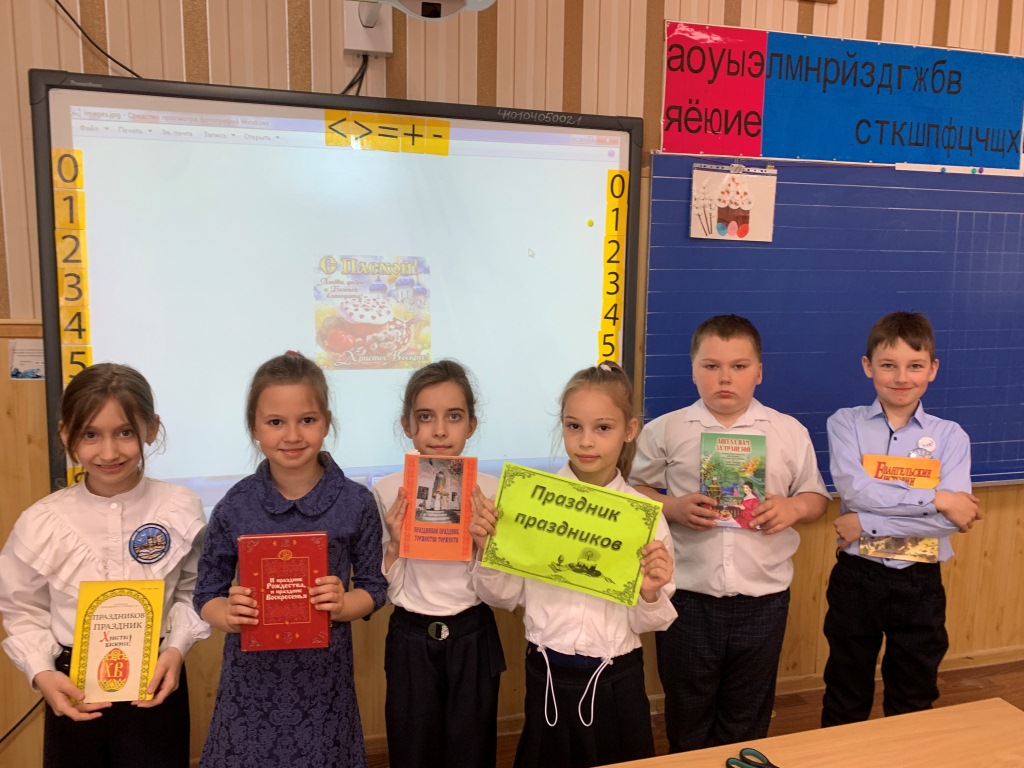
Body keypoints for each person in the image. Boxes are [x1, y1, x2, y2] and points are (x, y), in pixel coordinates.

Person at [629, 314, 830, 752]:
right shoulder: (666, 430)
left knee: (748, 711)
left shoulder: (787, 431)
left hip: (764, 599)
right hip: (687, 598)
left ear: (759, 372)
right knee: (687, 710)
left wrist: (793, 507)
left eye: (739, 366)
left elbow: (816, 497)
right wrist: (672, 507)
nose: (725, 378)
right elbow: (633, 491)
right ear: (693, 370)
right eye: (711, 366)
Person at [0, 363, 209, 768]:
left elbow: (193, 588)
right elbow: (21, 607)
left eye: (125, 432)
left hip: (156, 680)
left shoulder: (179, 507)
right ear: (66, 434)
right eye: (90, 434)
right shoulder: (41, 521)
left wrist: (178, 647)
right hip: (71, 687)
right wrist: (42, 672)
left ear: (151, 429)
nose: (109, 452)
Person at [471, 361, 675, 768]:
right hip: (547, 674)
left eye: (603, 428)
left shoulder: (644, 517)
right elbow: (504, 596)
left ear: (629, 430)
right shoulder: (530, 504)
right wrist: (488, 552)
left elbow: (650, 622)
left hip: (616, 680)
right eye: (573, 426)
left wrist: (650, 591)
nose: (586, 441)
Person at [194, 352, 387, 767]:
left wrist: (345, 604)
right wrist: (227, 613)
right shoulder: (235, 506)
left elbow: (375, 587)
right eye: (275, 422)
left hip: (324, 685)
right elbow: (206, 593)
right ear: (254, 427)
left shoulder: (356, 502)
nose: (293, 435)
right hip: (250, 685)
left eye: (308, 420)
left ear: (327, 422)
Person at [820, 311, 981, 726]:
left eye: (915, 365)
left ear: (932, 369)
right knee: (845, 690)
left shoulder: (951, 436)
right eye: (888, 365)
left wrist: (867, 523)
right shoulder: (846, 423)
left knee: (914, 694)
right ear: (868, 365)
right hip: (858, 576)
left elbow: (952, 521)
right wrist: (938, 498)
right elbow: (856, 492)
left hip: (920, 579)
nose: (901, 377)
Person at [373, 359, 506, 768]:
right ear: (407, 425)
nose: (440, 431)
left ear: (472, 425)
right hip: (410, 637)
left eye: (454, 416)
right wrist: (395, 546)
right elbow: (382, 588)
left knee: (472, 750)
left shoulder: (493, 492)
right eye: (426, 417)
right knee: (411, 749)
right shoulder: (387, 490)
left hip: (473, 635)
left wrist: (483, 548)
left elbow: (501, 594)